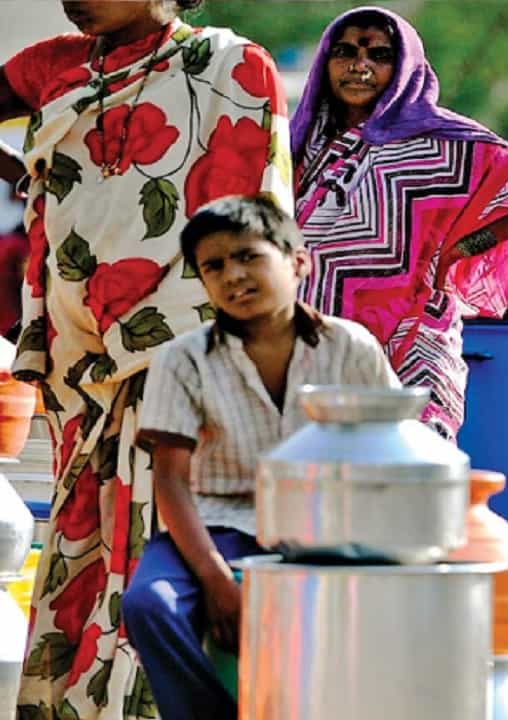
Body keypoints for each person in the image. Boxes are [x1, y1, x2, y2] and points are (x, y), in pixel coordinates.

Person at [0, 2, 291, 716]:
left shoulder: (234, 66)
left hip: (187, 360)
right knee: (87, 541)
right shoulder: (53, 66)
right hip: (83, 364)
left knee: (174, 544)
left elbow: (253, 219)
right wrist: (29, 169)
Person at [122, 195, 399, 719]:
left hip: (330, 527)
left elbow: (392, 454)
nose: (233, 276)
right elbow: (172, 481)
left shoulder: (351, 347)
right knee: (149, 605)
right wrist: (215, 581)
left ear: (298, 261)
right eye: (214, 266)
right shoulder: (182, 358)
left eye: (249, 256)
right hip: (218, 526)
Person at [291, 5, 508, 441]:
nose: (359, 66)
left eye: (378, 56)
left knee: (414, 459)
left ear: (404, 67)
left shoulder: (442, 142)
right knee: (321, 467)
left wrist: (463, 249)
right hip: (315, 331)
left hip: (412, 330)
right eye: (344, 52)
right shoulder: (303, 141)